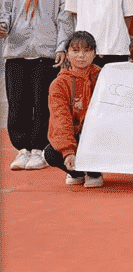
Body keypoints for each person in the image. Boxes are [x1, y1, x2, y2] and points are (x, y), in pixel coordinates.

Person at [1, 0, 73, 171]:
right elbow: (6, 10)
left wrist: (62, 47)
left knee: (42, 103)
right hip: (17, 51)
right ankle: (22, 149)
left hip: (46, 52)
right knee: (17, 102)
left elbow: (65, 18)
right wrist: (3, 25)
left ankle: (39, 149)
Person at [43, 31, 104, 188]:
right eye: (75, 50)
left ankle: (94, 172)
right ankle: (76, 172)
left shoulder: (104, 77)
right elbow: (60, 119)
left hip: (97, 136)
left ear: (94, 53)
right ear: (67, 53)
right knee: (50, 153)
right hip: (75, 136)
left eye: (87, 50)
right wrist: (68, 151)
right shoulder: (59, 84)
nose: (81, 55)